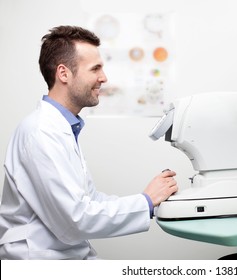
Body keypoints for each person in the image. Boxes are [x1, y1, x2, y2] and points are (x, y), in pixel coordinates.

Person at [0, 25, 178, 260]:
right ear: (63, 74)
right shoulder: (41, 132)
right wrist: (145, 201)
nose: (103, 78)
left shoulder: (62, 127)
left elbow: (89, 201)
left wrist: (149, 199)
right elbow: (76, 219)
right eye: (96, 68)